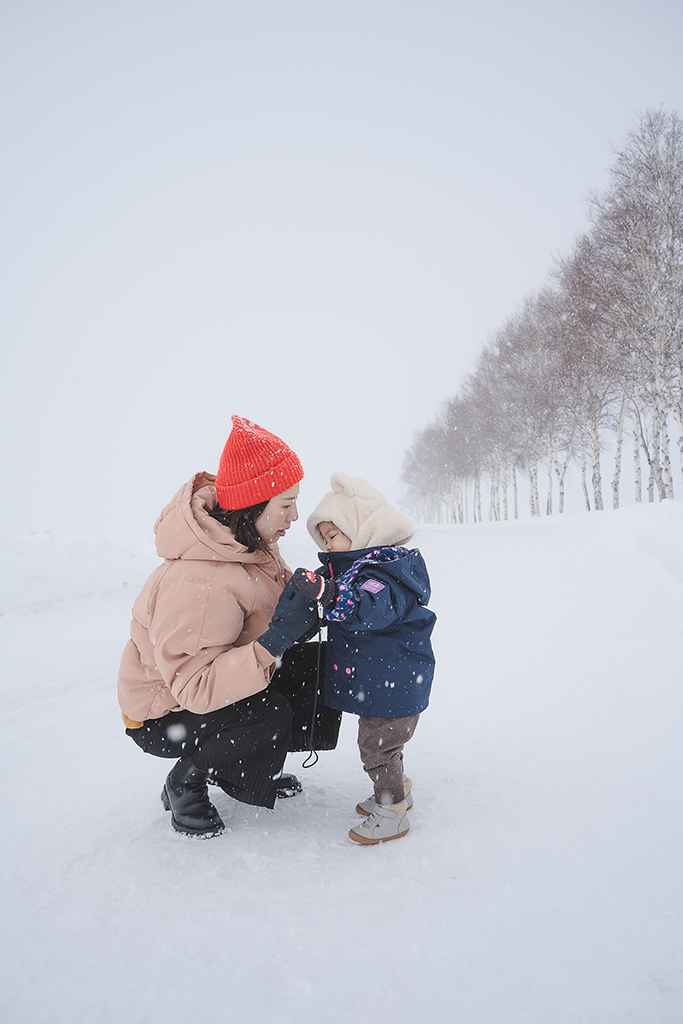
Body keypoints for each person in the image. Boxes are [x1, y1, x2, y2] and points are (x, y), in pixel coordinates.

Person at [117, 416, 341, 838]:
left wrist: (307, 604)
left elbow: (272, 612)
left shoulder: (252, 544)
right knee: (267, 713)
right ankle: (185, 781)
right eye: (285, 503)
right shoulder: (201, 581)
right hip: (163, 714)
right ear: (254, 505)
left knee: (320, 669)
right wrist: (276, 639)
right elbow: (196, 688)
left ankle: (235, 761)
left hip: (201, 696)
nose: (295, 514)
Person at [288, 472, 436, 845]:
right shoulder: (362, 569)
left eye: (333, 534)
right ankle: (396, 790)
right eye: (323, 538)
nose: (327, 544)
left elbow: (370, 606)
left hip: (393, 684)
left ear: (362, 529)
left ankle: (392, 811)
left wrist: (330, 593)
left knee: (376, 749)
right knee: (385, 745)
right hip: (390, 682)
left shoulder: (383, 573)